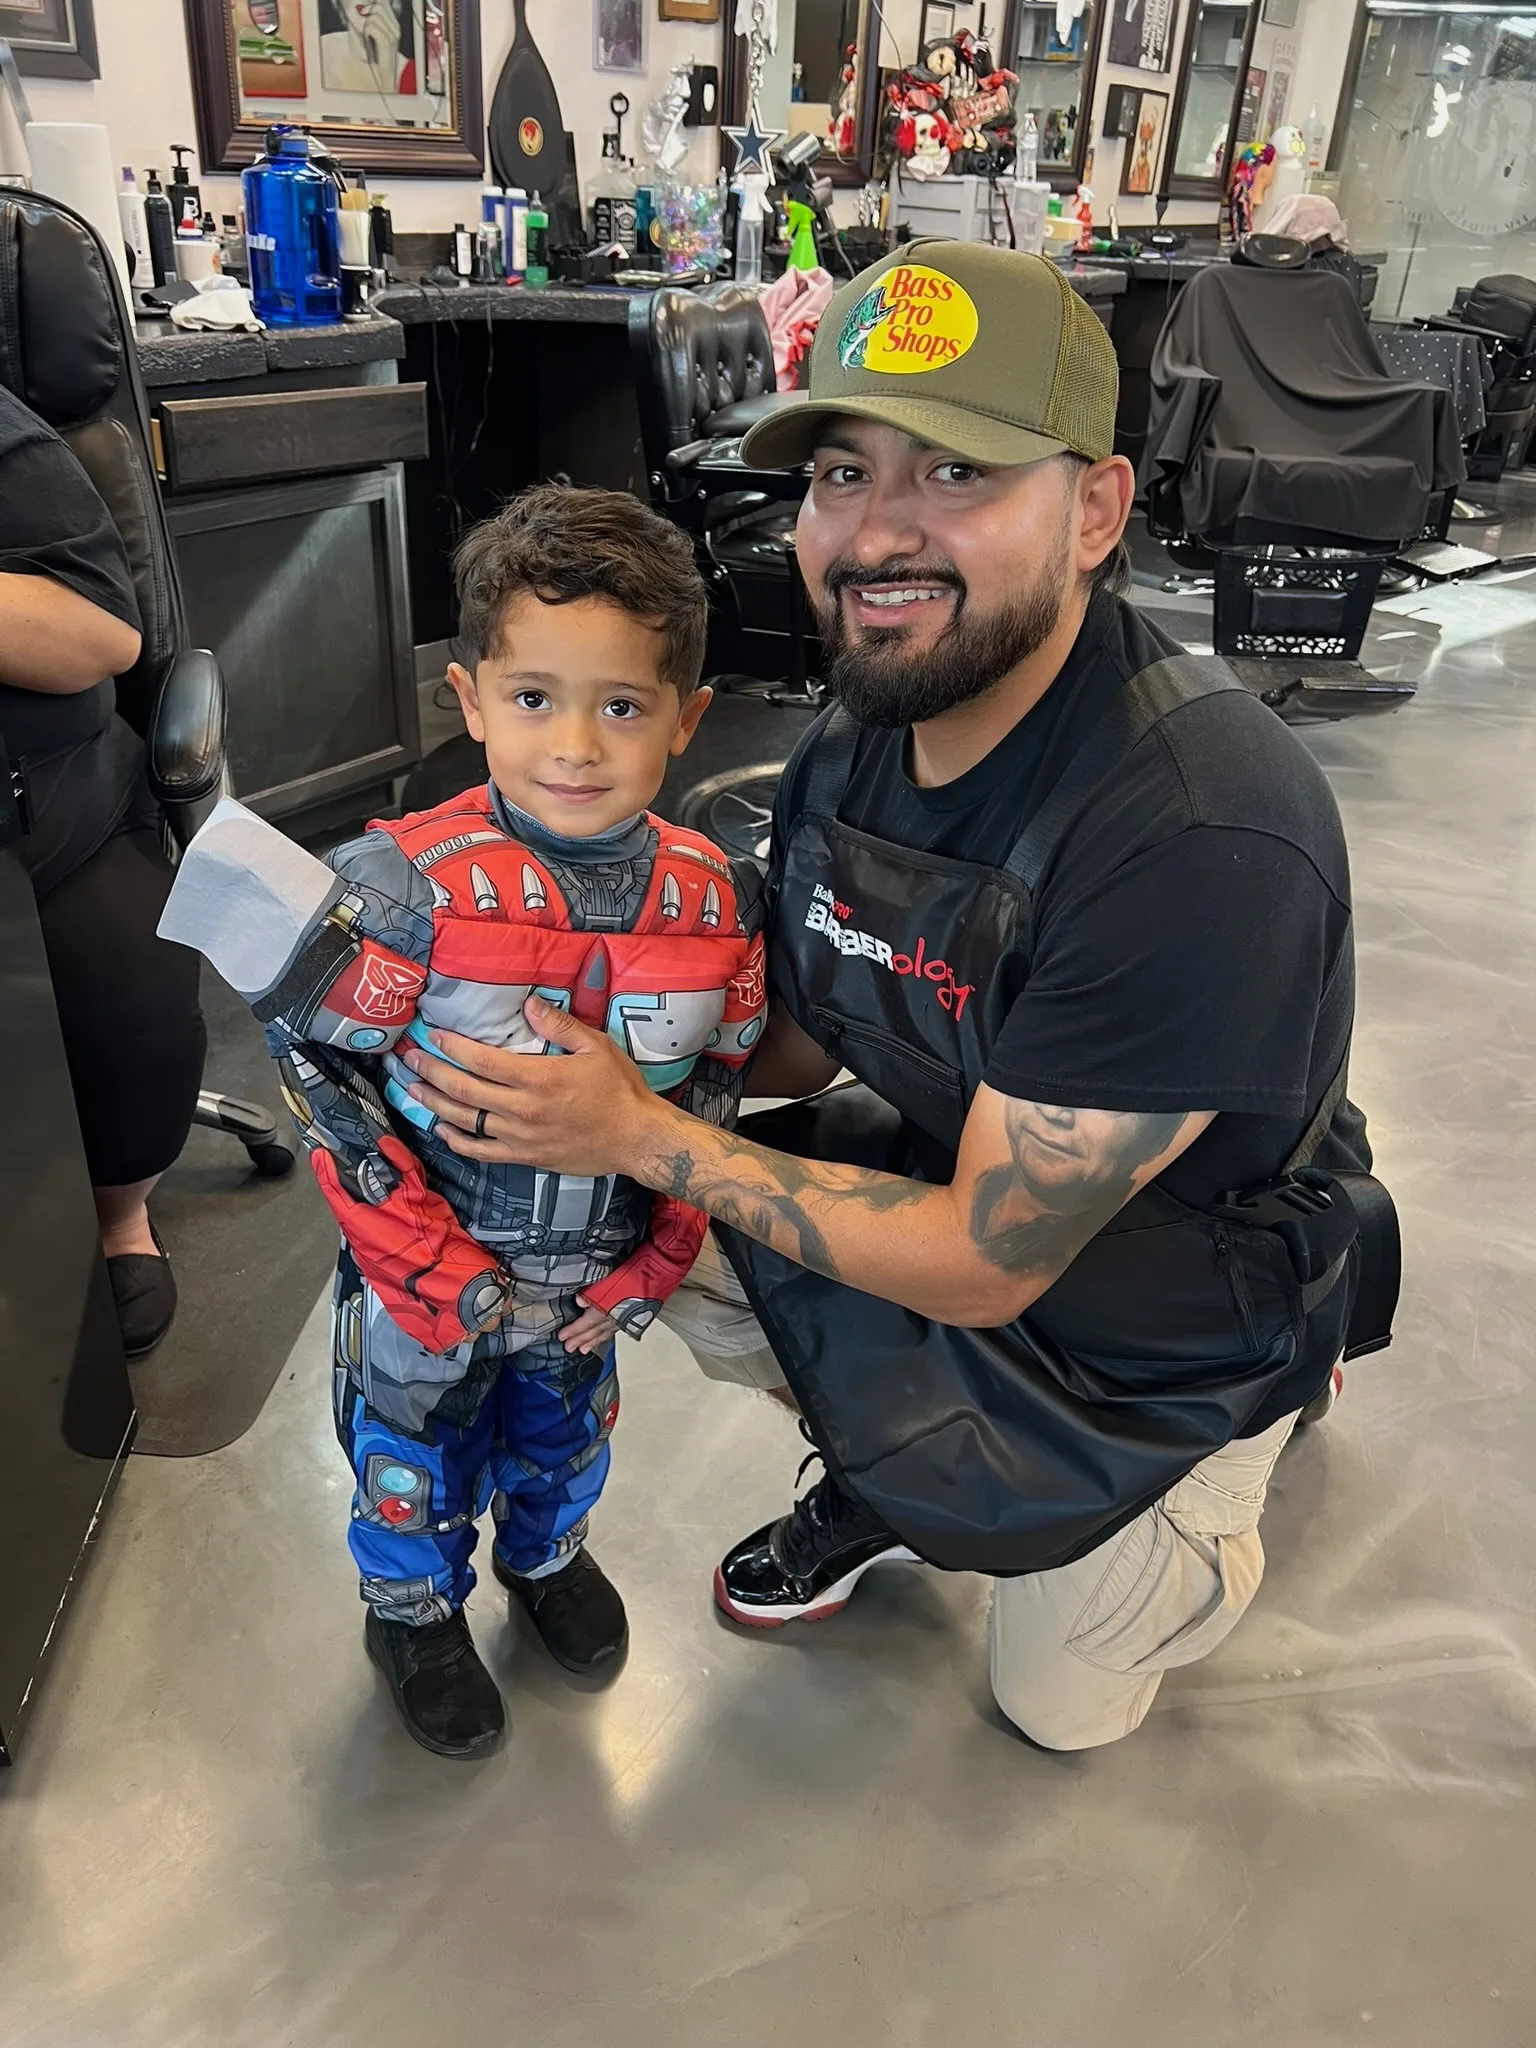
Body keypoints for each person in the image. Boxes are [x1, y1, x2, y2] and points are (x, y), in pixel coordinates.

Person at [395, 243, 1395, 1753]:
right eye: (845, 473)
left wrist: (639, 1131)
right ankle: (897, 1464)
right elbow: (803, 1021)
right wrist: (618, 1006)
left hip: (1166, 1295)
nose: (877, 535)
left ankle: (1241, 1438)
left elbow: (988, 1264)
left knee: (1058, 1709)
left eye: (957, 474)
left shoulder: (1200, 827)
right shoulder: (868, 725)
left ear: (1099, 513)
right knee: (625, 1248)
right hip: (965, 1151)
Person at [160, 487, 766, 1759]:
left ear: (687, 718)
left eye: (622, 704)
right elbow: (320, 1077)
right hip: (422, 1284)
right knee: (409, 1458)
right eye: (535, 697)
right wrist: (431, 1268)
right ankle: (413, 1611)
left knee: (566, 1437)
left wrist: (655, 1261)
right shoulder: (398, 887)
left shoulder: (719, 902)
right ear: (471, 696)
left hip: (595, 1280)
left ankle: (548, 1559)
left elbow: (716, 1085)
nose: (577, 746)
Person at [0, 383, 205, 1358]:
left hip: (53, 822)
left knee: (132, 994)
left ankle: (120, 1214)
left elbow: (106, 637)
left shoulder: (18, 451)